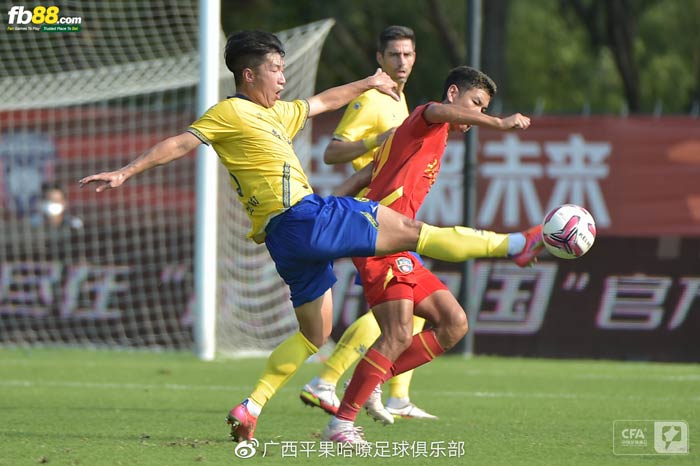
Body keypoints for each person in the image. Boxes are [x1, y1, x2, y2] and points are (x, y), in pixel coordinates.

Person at [79, 31, 541, 444]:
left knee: (313, 334)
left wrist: (368, 82)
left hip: (284, 240)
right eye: (275, 69)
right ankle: (516, 246)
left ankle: (252, 405)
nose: (283, 77)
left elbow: (322, 102)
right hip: (303, 216)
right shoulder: (229, 111)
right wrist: (127, 171)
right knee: (414, 234)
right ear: (249, 73)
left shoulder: (276, 113)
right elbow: (181, 142)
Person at [321, 66, 537, 444]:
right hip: (377, 240)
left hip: (394, 242)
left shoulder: (426, 140)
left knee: (454, 323)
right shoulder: (426, 117)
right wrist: (498, 124)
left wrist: (324, 212)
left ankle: (374, 379)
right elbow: (438, 111)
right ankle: (341, 423)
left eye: (483, 109)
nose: (476, 117)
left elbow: (365, 176)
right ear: (453, 93)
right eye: (475, 105)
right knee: (398, 332)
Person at [300, 25, 437, 424]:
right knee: (398, 307)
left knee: (411, 309)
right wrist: (376, 142)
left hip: (391, 217)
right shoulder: (373, 100)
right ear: (379, 59)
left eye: (408, 55)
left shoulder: (400, 99)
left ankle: (395, 394)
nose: (402, 62)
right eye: (394, 55)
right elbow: (331, 152)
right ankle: (326, 381)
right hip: (369, 217)